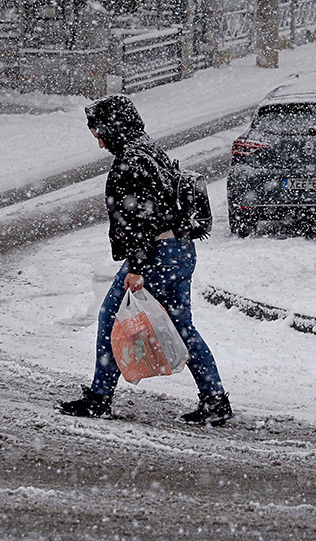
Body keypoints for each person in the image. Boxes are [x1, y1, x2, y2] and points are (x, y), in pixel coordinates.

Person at [58, 95, 233, 426]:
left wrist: (137, 267)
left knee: (112, 318)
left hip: (155, 255)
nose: (99, 142)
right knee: (181, 328)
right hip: (179, 250)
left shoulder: (133, 160)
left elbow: (140, 218)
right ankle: (215, 400)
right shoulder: (150, 150)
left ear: (114, 128)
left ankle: (99, 398)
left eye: (100, 133)